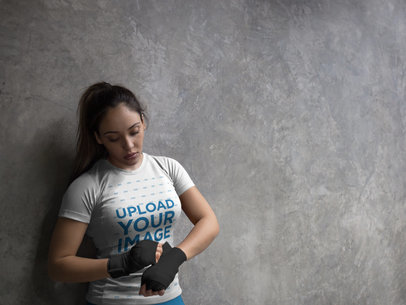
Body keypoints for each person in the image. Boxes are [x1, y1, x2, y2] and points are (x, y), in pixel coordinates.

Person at [48, 82, 219, 305]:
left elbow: (209, 221)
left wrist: (176, 257)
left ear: (143, 122)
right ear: (98, 137)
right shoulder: (87, 186)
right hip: (112, 300)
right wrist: (120, 263)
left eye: (134, 131)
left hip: (169, 297)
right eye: (113, 138)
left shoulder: (168, 168)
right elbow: (58, 266)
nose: (128, 145)